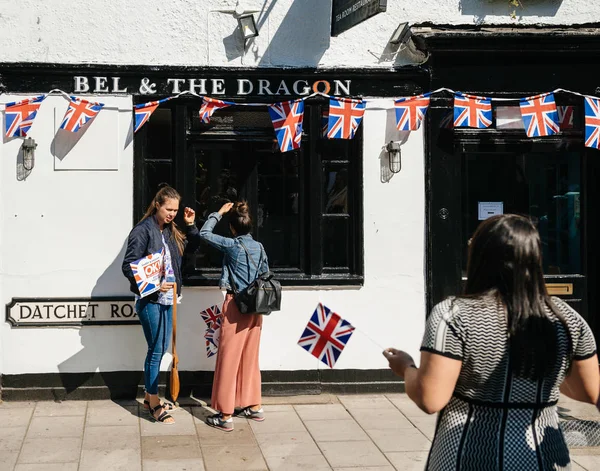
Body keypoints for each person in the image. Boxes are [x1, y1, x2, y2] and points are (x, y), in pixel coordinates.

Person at [384, 214, 599, 470]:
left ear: (481, 257)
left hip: (467, 456)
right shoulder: (566, 319)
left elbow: (430, 398)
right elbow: (588, 391)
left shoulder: (453, 315)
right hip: (542, 457)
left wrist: (406, 368)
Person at [122, 185, 199, 425]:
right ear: (157, 204)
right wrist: (155, 285)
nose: (172, 213)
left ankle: (148, 397)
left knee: (160, 347)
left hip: (169, 298)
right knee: (156, 349)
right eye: (169, 209)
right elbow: (128, 266)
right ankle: (153, 402)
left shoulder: (169, 230)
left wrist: (191, 225)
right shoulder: (142, 231)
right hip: (150, 299)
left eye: (175, 210)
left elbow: (191, 251)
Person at [191, 200, 269, 432]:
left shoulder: (232, 245)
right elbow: (265, 274)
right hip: (256, 308)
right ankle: (254, 405)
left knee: (228, 359)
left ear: (233, 228)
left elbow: (204, 233)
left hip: (236, 306)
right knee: (249, 357)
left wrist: (219, 213)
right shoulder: (260, 247)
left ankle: (225, 415)